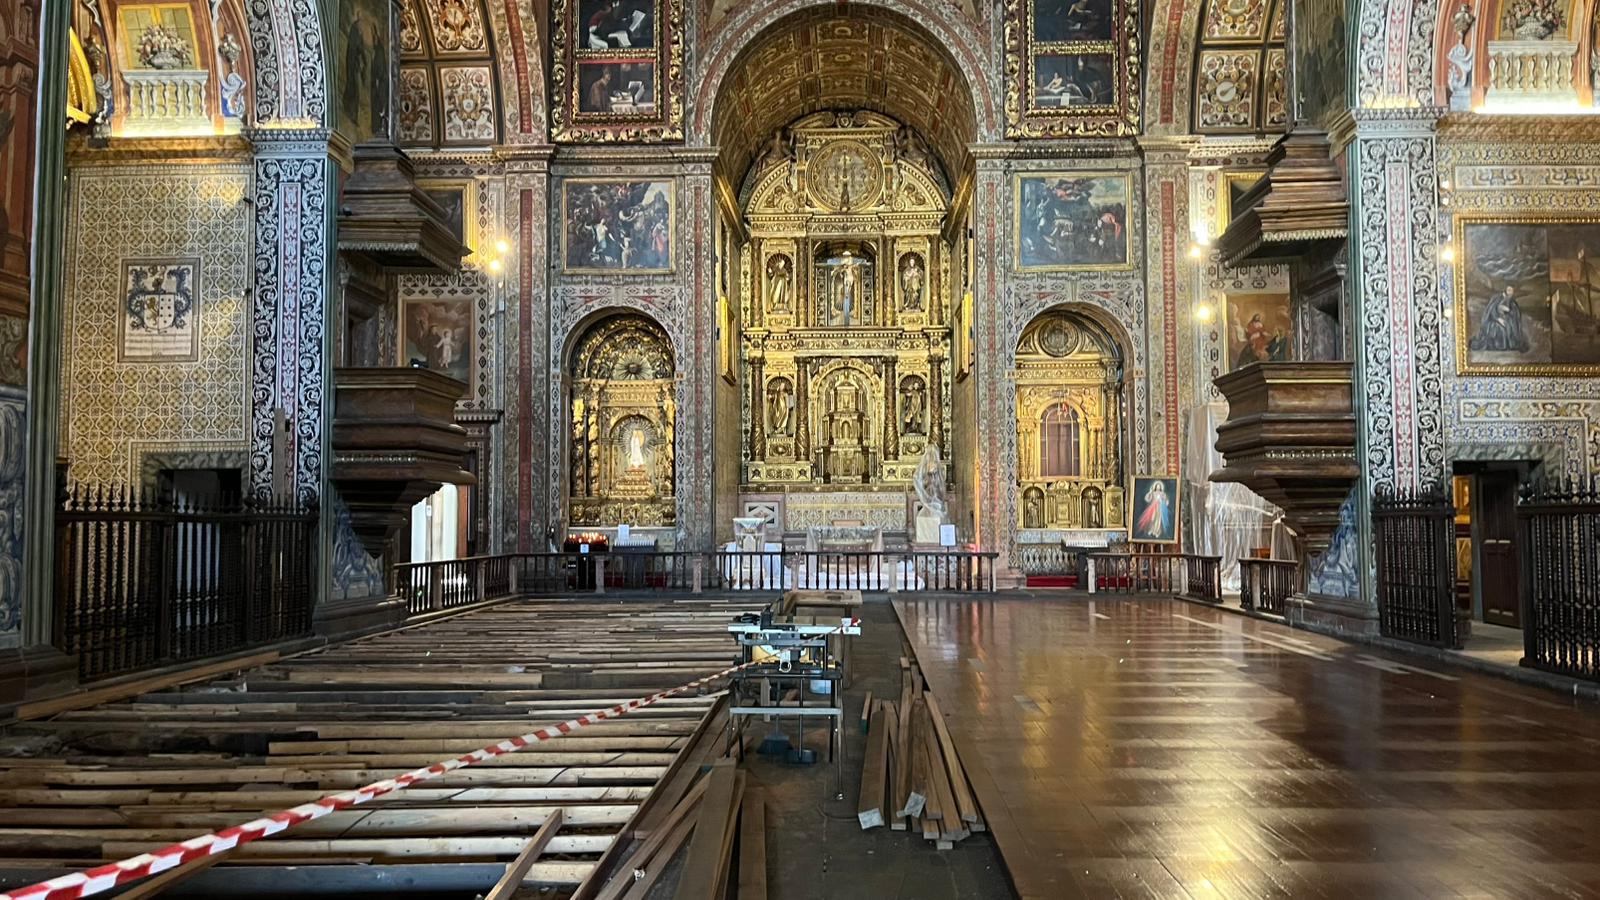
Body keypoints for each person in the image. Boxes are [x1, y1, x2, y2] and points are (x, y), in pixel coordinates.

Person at [1470, 285, 1530, 353]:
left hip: (1506, 319)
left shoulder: (1511, 301)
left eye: (1512, 291)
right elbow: (1491, 311)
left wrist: (1509, 312)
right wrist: (1498, 319)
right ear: (1505, 290)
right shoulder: (1496, 298)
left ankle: (1510, 344)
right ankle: (1500, 346)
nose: (1511, 293)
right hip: (1493, 320)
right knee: (1499, 329)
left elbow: (1514, 313)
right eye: (1509, 290)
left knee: (1509, 327)